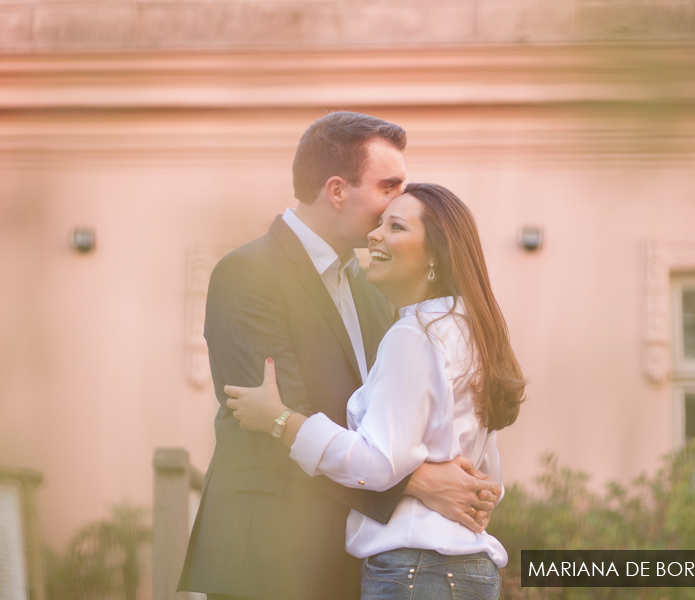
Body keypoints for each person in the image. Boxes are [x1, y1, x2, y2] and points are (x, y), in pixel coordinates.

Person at [178, 113, 500, 600]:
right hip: (270, 556)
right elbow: (278, 418)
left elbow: (389, 416)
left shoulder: (376, 291)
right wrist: (416, 483)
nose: (399, 201)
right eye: (388, 187)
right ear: (336, 190)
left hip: (352, 558)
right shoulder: (247, 274)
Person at [225, 183, 526, 600]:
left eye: (396, 226)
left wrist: (281, 420)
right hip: (470, 572)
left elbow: (377, 463)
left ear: (436, 255)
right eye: (380, 222)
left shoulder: (415, 336)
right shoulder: (471, 334)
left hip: (416, 572)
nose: (375, 234)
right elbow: (484, 476)